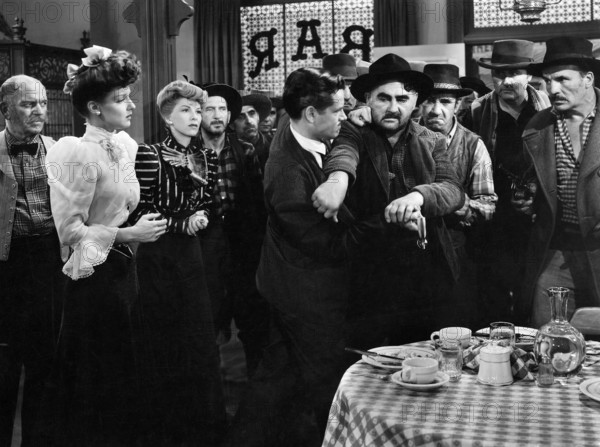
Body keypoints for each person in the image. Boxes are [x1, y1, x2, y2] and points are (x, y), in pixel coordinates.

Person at [225, 67, 384, 447]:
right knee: (326, 382)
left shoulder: (299, 128)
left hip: (291, 283)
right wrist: (387, 220)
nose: (347, 118)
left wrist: (340, 169)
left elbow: (344, 131)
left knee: (274, 377)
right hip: (304, 292)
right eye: (339, 111)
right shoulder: (287, 172)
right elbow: (328, 245)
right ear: (311, 114)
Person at [44, 46, 167, 446]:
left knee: (126, 371)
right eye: (121, 99)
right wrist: (130, 235)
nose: (131, 104)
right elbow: (70, 231)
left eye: (129, 95)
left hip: (124, 273)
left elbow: (123, 207)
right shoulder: (75, 152)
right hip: (92, 282)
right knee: (97, 377)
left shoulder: (126, 147)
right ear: (94, 108)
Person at [313, 53, 464, 349]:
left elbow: (452, 189)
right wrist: (336, 180)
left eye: (402, 98)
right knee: (366, 361)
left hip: (423, 274)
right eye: (384, 98)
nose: (394, 108)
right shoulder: (353, 132)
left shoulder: (432, 139)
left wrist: (419, 195)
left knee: (422, 358)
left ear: (416, 99)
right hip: (367, 275)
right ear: (367, 98)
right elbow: (344, 156)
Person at [130, 80, 226, 445]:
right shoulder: (149, 155)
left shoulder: (206, 158)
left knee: (197, 339)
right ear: (167, 117)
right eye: (185, 110)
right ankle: (164, 429)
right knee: (164, 339)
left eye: (197, 110)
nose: (195, 117)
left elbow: (207, 202)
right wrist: (179, 223)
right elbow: (138, 211)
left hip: (192, 257)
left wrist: (199, 215)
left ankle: (200, 428)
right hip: (158, 256)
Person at [514, 36, 600, 326]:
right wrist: (528, 200)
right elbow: (533, 187)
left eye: (563, 79)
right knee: (549, 336)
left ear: (588, 79)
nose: (553, 89)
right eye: (547, 81)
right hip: (556, 247)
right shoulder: (538, 126)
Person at [0, 75, 64, 447]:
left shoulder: (59, 150)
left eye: (42, 102)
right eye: (27, 104)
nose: (39, 110)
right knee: (4, 370)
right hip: (5, 268)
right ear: (5, 109)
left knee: (45, 365)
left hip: (47, 263)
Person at [471, 39, 551, 323]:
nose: (505, 81)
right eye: (499, 74)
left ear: (529, 75)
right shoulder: (477, 112)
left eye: (513, 73)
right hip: (495, 221)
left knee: (533, 293)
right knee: (494, 296)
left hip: (538, 216)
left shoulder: (548, 110)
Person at [198, 83, 268, 377]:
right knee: (207, 324)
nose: (217, 115)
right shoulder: (187, 151)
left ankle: (255, 397)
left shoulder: (244, 150)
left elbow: (253, 205)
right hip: (203, 249)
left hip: (241, 249)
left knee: (252, 324)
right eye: (209, 109)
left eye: (223, 109)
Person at [420, 64, 497, 327]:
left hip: (456, 251)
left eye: (444, 101)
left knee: (454, 328)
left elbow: (488, 205)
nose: (435, 110)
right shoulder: (405, 137)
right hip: (410, 251)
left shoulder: (473, 144)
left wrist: (458, 203)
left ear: (457, 105)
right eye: (429, 101)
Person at [232, 93, 273, 170]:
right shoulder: (229, 151)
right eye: (240, 117)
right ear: (231, 124)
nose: (249, 121)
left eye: (252, 113)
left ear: (258, 117)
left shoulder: (275, 144)